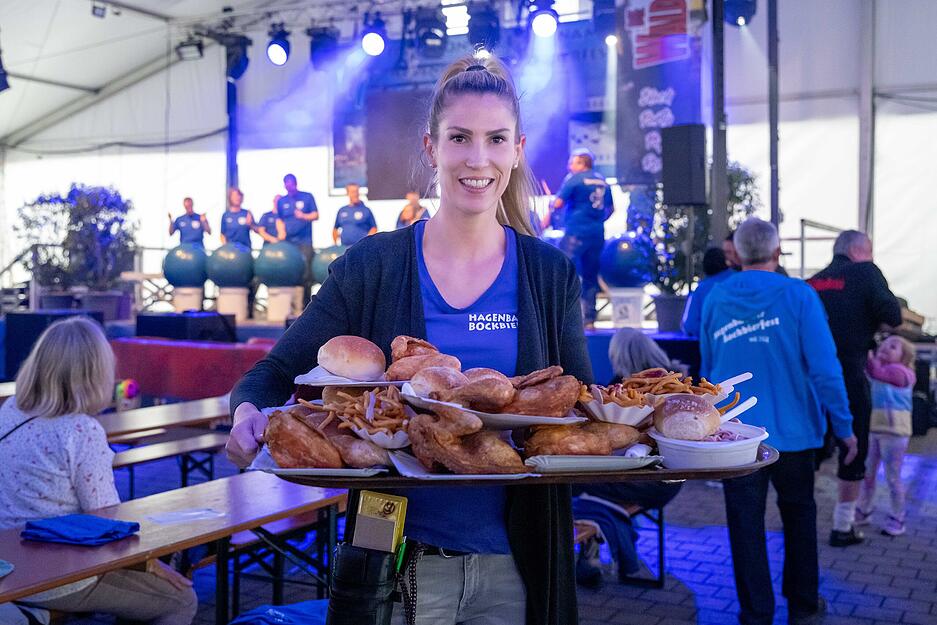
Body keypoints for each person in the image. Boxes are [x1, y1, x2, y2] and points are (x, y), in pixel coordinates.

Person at [225, 54, 590, 625]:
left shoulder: (550, 275)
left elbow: (580, 404)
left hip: (519, 562)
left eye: (496, 139)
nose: (478, 158)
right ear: (431, 147)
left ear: (517, 150)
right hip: (392, 557)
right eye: (460, 138)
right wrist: (246, 412)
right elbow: (271, 375)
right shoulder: (374, 265)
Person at [700, 217, 858, 625]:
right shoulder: (799, 296)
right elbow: (825, 368)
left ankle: (756, 613)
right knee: (799, 516)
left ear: (736, 251)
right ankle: (803, 605)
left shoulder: (716, 297)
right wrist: (844, 427)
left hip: (736, 436)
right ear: (776, 251)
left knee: (745, 524)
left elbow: (707, 369)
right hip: (794, 432)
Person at [0, 317, 197, 625]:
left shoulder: (11, 409)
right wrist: (150, 564)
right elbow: (106, 520)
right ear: (95, 374)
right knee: (181, 600)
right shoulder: (80, 429)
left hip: (8, 564)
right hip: (59, 576)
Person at [807, 229, 902, 546]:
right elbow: (893, 315)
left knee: (811, 453)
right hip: (849, 377)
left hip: (809, 383)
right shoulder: (866, 271)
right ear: (861, 250)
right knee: (853, 450)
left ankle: (800, 519)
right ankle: (842, 526)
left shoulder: (812, 282)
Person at [572, 328, 682, 588]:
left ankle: (592, 541)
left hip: (644, 479)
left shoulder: (618, 389)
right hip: (671, 480)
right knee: (584, 484)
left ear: (618, 355)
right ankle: (594, 539)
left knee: (576, 482)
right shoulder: (678, 381)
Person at [856, 334, 916, 537]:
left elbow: (878, 372)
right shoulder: (878, 371)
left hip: (895, 434)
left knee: (893, 477)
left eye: (894, 346)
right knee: (868, 474)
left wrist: (868, 352)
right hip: (875, 430)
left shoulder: (903, 373)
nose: (886, 347)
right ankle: (864, 510)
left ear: (904, 356)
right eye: (885, 344)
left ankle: (898, 517)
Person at [550, 149, 614, 328]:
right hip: (597, 235)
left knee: (562, 272)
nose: (569, 165)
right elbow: (610, 209)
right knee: (590, 276)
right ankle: (590, 320)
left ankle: (561, 319)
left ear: (582, 164)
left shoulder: (575, 178)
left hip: (575, 233)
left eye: (573, 162)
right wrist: (595, 221)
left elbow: (558, 203)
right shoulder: (602, 181)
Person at [277, 174, 318, 302]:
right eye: (287, 185)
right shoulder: (282, 201)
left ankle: (306, 304)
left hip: (304, 241)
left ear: (295, 183)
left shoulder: (307, 197)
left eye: (291, 184)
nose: (289, 187)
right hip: (288, 243)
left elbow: (315, 215)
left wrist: (303, 216)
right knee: (288, 271)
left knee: (305, 273)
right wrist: (281, 233)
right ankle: (289, 304)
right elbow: (279, 219)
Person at [681, 247, 733, 337]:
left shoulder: (701, 289)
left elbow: (690, 325)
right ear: (726, 262)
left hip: (713, 345)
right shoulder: (740, 281)